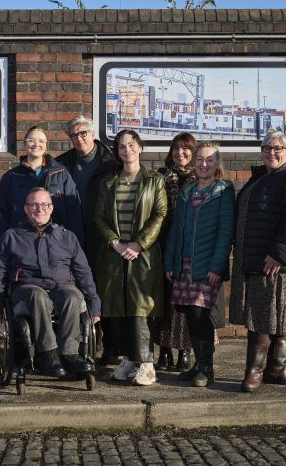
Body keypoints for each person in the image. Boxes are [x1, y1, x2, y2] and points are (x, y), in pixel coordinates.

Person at [230, 131, 286, 393]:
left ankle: (254, 373)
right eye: (267, 148)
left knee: (263, 319)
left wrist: (279, 254)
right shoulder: (263, 178)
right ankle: (277, 370)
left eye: (278, 149)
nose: (272, 153)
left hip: (274, 263)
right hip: (258, 260)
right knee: (275, 318)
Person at [0, 187, 101, 377]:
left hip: (61, 287)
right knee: (37, 295)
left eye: (44, 204)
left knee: (72, 296)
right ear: (25, 209)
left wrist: (95, 306)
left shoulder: (67, 237)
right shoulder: (11, 236)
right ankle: (47, 354)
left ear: (51, 208)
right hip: (26, 289)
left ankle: (69, 354)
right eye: (34, 204)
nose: (40, 209)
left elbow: (84, 273)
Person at [94, 130, 167, 386]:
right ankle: (128, 359)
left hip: (143, 255)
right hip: (115, 256)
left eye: (132, 145)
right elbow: (100, 217)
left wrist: (138, 244)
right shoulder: (108, 183)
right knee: (118, 308)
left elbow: (159, 214)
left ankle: (146, 364)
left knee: (140, 308)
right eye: (122, 146)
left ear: (140, 148)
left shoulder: (154, 180)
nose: (127, 150)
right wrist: (114, 243)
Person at [164, 142, 235, 387]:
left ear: (217, 164)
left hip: (206, 265)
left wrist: (217, 266)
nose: (204, 165)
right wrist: (170, 261)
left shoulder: (223, 190)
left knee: (200, 313)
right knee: (190, 316)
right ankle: (198, 364)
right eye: (200, 160)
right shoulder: (187, 190)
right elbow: (176, 229)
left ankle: (207, 368)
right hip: (184, 264)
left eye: (210, 160)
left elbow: (226, 232)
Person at [56, 115, 119, 366]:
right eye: (74, 135)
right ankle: (82, 344)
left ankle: (110, 346)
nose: (79, 138)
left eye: (83, 133)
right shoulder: (62, 164)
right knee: (77, 289)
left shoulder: (111, 163)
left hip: (102, 235)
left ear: (93, 134)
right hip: (73, 236)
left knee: (103, 290)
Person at [0, 126, 83, 246]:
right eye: (31, 140)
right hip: (20, 245)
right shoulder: (11, 177)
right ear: (24, 144)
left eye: (41, 141)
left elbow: (74, 213)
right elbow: (0, 215)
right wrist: (1, 247)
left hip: (56, 245)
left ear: (46, 146)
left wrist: (75, 247)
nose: (36, 144)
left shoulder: (61, 175)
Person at [155, 132, 197, 372]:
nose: (180, 153)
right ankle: (164, 350)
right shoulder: (161, 177)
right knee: (163, 303)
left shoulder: (199, 178)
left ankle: (184, 351)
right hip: (162, 246)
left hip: (188, 250)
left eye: (185, 149)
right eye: (176, 149)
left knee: (185, 304)